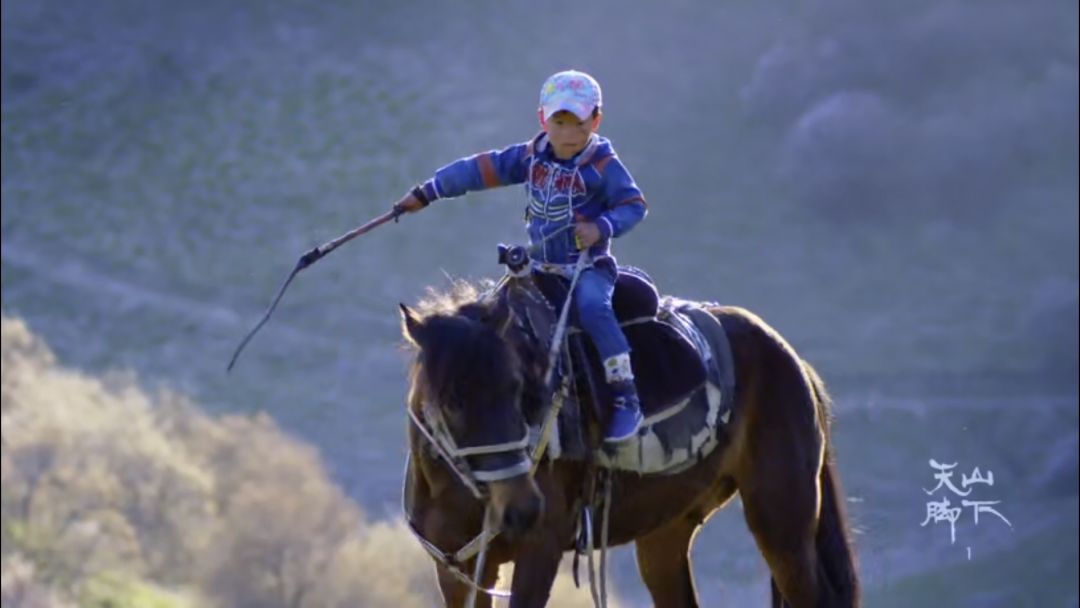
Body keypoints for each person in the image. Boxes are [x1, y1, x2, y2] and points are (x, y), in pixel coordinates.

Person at [394, 70, 648, 443]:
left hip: (586, 267)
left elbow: (634, 205)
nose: (567, 132)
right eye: (559, 121)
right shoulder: (529, 158)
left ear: (595, 120)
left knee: (594, 307)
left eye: (577, 122)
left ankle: (625, 394)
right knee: (492, 319)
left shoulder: (603, 166)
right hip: (537, 267)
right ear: (543, 119)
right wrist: (428, 191)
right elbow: (478, 169)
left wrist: (602, 228)